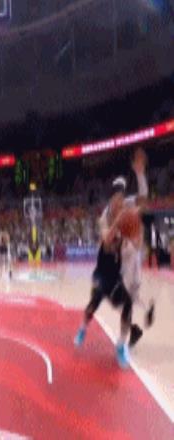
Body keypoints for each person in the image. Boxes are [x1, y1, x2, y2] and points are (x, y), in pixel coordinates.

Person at [74, 149, 151, 368]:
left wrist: (140, 174)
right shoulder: (104, 218)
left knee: (127, 303)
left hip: (118, 270)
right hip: (102, 269)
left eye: (122, 196)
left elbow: (143, 200)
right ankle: (82, 329)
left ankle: (121, 345)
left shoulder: (127, 206)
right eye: (116, 197)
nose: (120, 200)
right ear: (111, 198)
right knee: (94, 304)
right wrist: (121, 225)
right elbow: (107, 241)